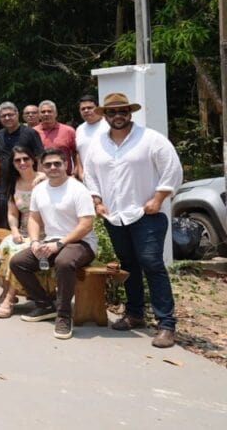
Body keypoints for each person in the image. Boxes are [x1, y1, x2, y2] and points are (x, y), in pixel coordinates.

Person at [84, 93, 183, 348]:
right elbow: (90, 174)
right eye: (112, 112)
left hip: (145, 214)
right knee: (128, 265)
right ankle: (135, 313)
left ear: (130, 113)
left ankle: (166, 324)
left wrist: (159, 198)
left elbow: (172, 169)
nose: (118, 116)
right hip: (114, 216)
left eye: (123, 111)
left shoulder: (151, 139)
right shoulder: (97, 144)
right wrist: (96, 201)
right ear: (104, 115)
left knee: (151, 263)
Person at [10, 148, 99, 339]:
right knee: (18, 262)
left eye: (57, 163)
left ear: (66, 165)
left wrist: (60, 244)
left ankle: (64, 315)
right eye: (48, 164)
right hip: (51, 242)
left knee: (64, 263)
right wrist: (34, 241)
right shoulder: (40, 189)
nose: (53, 168)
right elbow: (34, 218)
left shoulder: (78, 189)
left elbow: (86, 225)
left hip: (81, 243)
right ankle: (44, 305)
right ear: (42, 167)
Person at [0, 145, 48, 319]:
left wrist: (46, 176)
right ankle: (8, 292)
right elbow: (12, 213)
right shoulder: (13, 183)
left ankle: (8, 299)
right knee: (6, 245)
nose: (22, 162)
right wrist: (15, 231)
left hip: (46, 232)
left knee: (18, 253)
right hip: (23, 230)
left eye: (26, 158)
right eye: (18, 160)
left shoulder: (45, 180)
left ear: (33, 160)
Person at [0, 101, 43, 226]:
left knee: (34, 218)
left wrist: (41, 178)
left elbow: (40, 158)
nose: (7, 118)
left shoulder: (30, 133)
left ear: (17, 114)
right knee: (7, 220)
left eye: (10, 114)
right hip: (7, 185)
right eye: (3, 116)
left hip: (29, 185)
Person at [35, 100, 79, 177]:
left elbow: (77, 153)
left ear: (56, 114)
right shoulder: (33, 132)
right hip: (41, 177)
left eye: (49, 111)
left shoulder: (68, 131)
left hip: (65, 177)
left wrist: (75, 172)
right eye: (43, 112)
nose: (46, 114)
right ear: (39, 115)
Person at [75, 94, 108, 181]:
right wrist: (81, 173)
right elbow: (78, 153)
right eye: (83, 109)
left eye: (90, 107)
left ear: (98, 108)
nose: (86, 110)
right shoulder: (80, 129)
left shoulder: (109, 125)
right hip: (88, 179)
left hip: (108, 177)